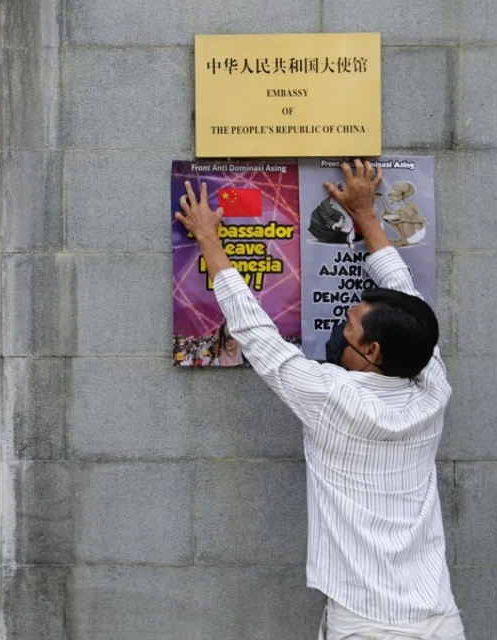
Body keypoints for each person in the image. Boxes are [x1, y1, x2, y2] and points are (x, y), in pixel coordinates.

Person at [175, 160, 465, 639]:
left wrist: (208, 239)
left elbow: (258, 336)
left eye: (347, 326)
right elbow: (406, 299)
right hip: (438, 618)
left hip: (366, 625)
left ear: (370, 352)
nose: (339, 328)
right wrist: (367, 217)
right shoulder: (432, 386)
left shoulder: (333, 397)